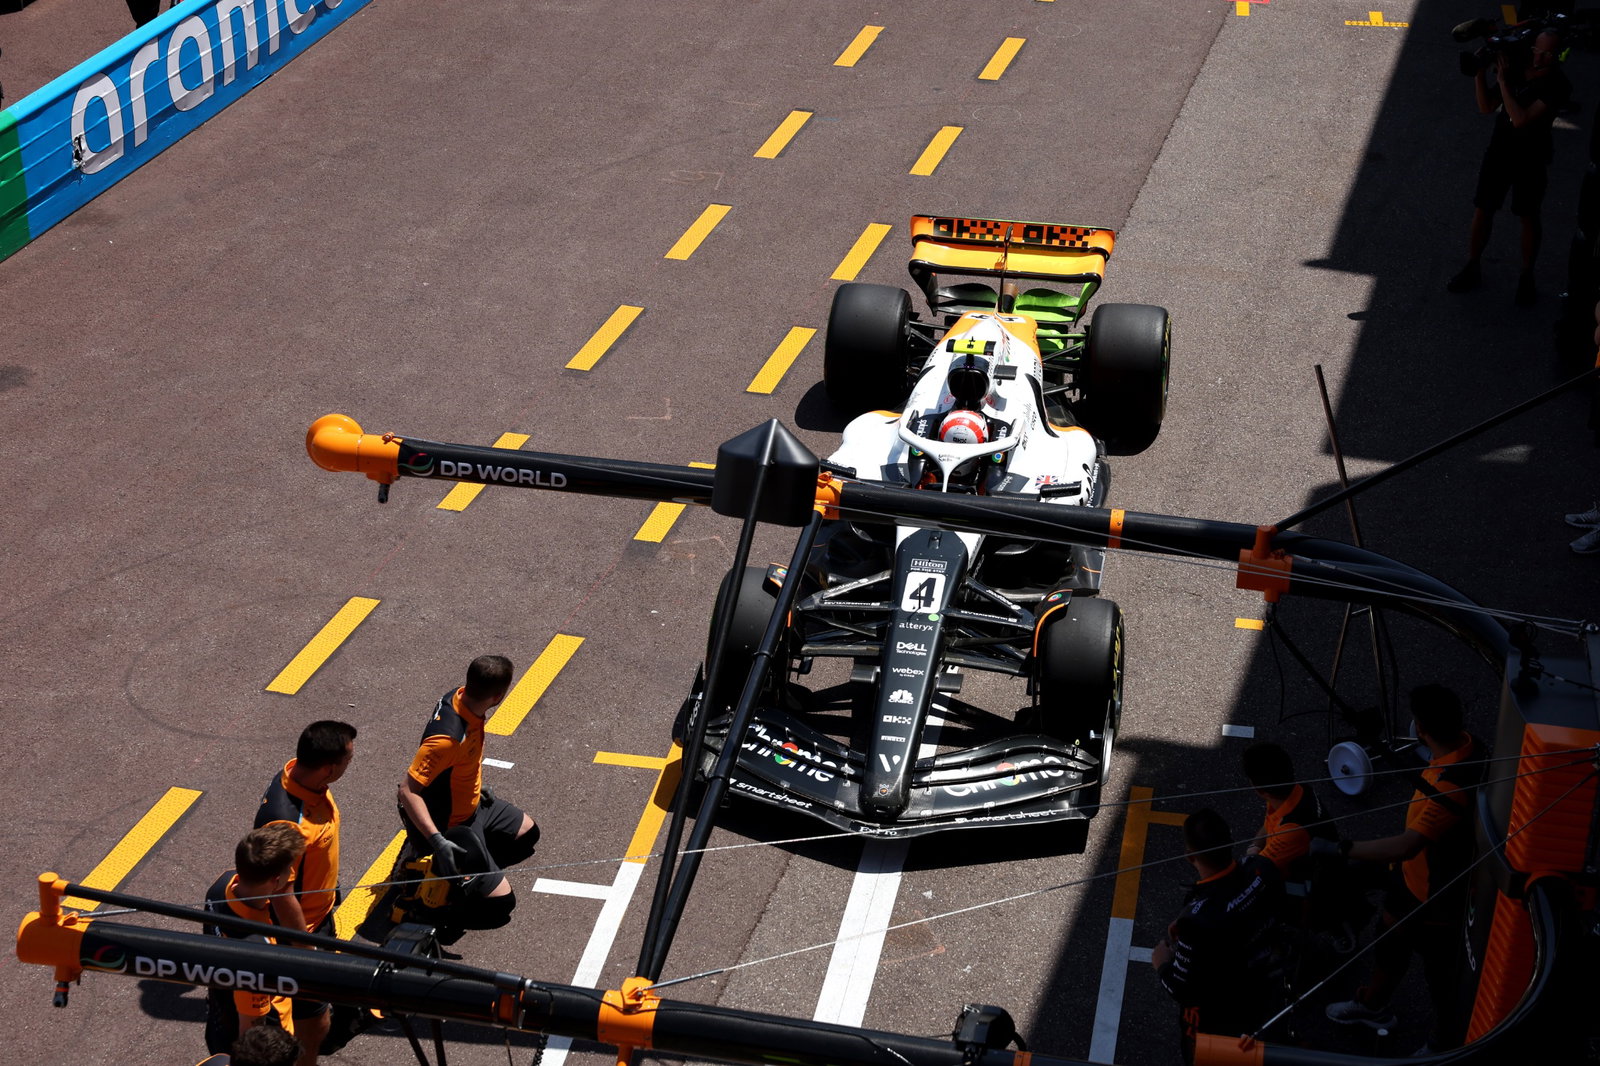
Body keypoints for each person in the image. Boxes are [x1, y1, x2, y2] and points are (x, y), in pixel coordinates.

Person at [1321, 684, 1485, 1053]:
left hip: (1434, 899)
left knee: (1441, 980)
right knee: (1390, 941)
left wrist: (1342, 847)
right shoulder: (1467, 747)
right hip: (1411, 880)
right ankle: (1372, 1006)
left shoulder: (1452, 788)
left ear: (1421, 728)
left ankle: (1443, 1046)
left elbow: (1407, 844)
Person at [395, 654, 540, 938]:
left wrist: (475, 782)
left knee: (528, 834)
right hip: (451, 823)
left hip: (472, 804)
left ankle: (471, 866)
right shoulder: (447, 739)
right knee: (501, 906)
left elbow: (461, 760)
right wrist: (437, 840)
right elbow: (406, 791)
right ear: (498, 696)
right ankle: (425, 904)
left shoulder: (462, 697)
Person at [1446, 29, 1573, 305]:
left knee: (1528, 215)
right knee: (1483, 209)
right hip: (1500, 152)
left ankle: (1527, 276)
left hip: (1532, 157)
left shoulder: (1558, 85)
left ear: (1559, 55)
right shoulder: (1517, 68)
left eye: (1548, 53)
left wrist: (1503, 82)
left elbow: (1521, 118)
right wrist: (1480, 74)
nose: (1540, 57)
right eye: (1537, 50)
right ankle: (1473, 266)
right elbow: (1486, 107)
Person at [255, 721, 357, 1066]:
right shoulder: (287, 822)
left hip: (319, 919)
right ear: (329, 767)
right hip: (300, 936)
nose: (349, 766)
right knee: (314, 1026)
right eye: (348, 762)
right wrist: (305, 948)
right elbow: (281, 896)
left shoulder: (303, 776)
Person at [1151, 808, 1283, 1065]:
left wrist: (1161, 963)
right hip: (1264, 990)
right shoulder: (1263, 869)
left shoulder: (1197, 923)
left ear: (1190, 856)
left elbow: (1182, 990)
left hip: (1218, 1019)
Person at [202, 824, 305, 1054]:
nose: (291, 876)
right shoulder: (256, 951)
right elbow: (250, 1034)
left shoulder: (221, 885)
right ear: (275, 881)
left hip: (219, 1016)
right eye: (290, 870)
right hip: (265, 1038)